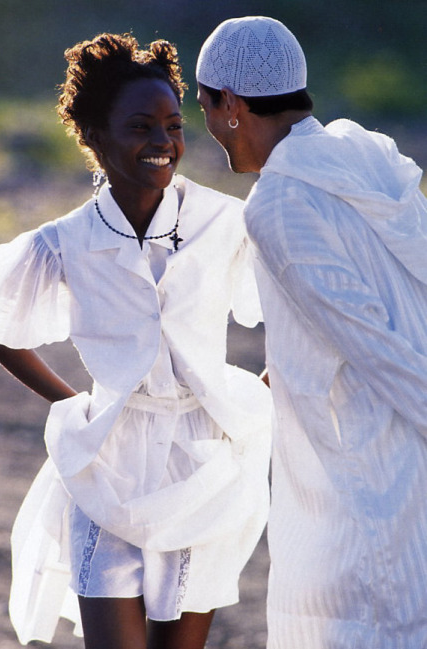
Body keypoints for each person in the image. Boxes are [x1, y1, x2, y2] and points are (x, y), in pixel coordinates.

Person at [0, 32, 272, 649]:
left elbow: (293, 305)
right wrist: (66, 401)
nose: (162, 142)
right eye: (140, 126)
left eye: (173, 125)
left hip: (203, 463)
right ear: (94, 137)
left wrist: (267, 389)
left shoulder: (225, 222)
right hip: (106, 465)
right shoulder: (64, 241)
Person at [196, 15, 427, 649]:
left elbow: (381, 350)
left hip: (370, 473)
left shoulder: (277, 205)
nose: (208, 126)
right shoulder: (362, 155)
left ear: (233, 106)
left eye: (205, 105)